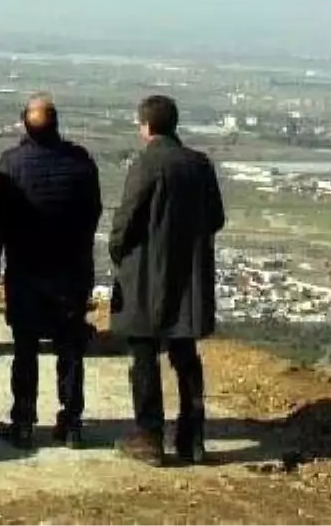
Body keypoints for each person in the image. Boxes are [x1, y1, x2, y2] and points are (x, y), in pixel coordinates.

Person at [109, 94, 226, 467]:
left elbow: (124, 223)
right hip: (188, 278)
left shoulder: (146, 164)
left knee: (144, 355)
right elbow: (216, 218)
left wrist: (120, 253)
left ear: (146, 126)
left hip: (146, 279)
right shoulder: (199, 164)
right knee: (185, 355)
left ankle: (149, 437)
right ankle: (193, 438)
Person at [0, 93, 103, 450]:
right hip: (71, 270)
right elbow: (92, 212)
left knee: (25, 347)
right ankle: (72, 422)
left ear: (25, 124)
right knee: (70, 348)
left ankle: (23, 421)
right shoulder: (81, 162)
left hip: (26, 271)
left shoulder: (12, 163)